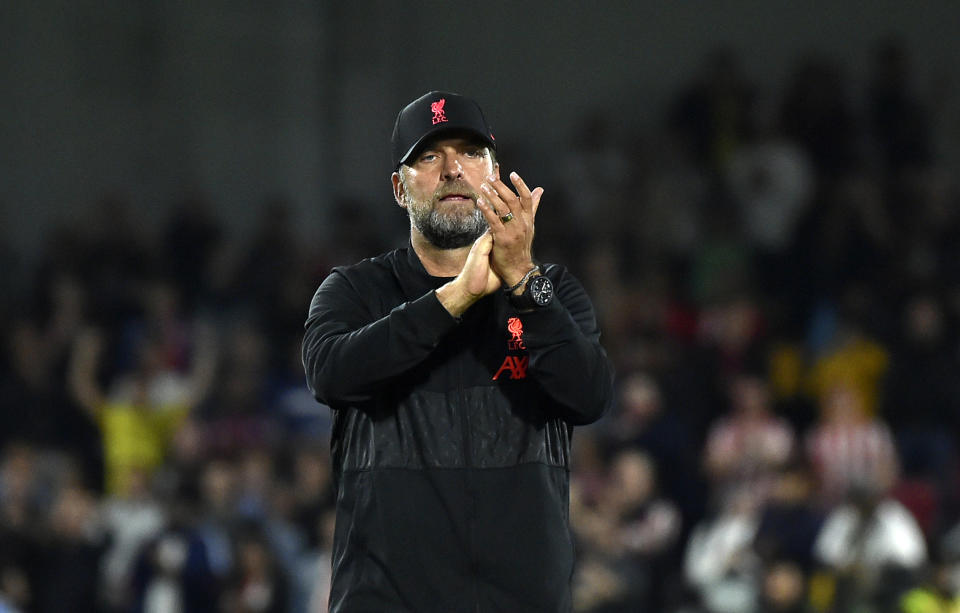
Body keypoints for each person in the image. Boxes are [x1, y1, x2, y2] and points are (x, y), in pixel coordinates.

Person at [302, 91, 614, 612]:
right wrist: (457, 295)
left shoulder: (550, 293)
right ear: (400, 189)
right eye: (429, 156)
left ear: (494, 174)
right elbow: (330, 374)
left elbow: (590, 396)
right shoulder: (354, 291)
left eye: (470, 153)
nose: (452, 169)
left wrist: (524, 282)